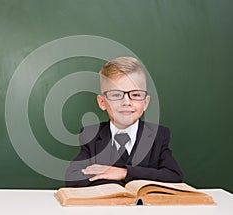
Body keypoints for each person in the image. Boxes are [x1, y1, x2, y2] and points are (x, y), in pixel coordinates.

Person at [65, 57, 183, 187]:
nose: (126, 102)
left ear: (145, 102)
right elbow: (72, 178)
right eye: (116, 95)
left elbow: (174, 176)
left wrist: (124, 173)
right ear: (102, 102)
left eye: (136, 95)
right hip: (107, 206)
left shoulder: (158, 136)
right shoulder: (91, 135)